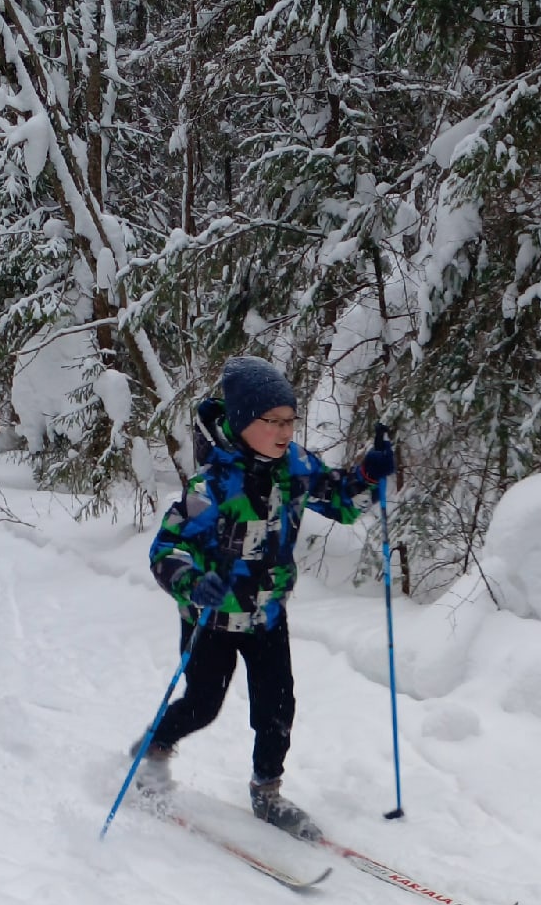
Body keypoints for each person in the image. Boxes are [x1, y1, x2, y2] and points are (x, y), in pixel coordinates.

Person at [139, 356, 394, 840]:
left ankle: (267, 791)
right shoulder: (212, 486)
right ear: (241, 423)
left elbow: (339, 501)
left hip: (267, 615)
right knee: (202, 704)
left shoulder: (295, 467)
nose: (283, 431)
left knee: (278, 708)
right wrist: (191, 582)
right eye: (271, 421)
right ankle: (152, 752)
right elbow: (166, 548)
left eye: (289, 420)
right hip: (210, 618)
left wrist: (367, 473)